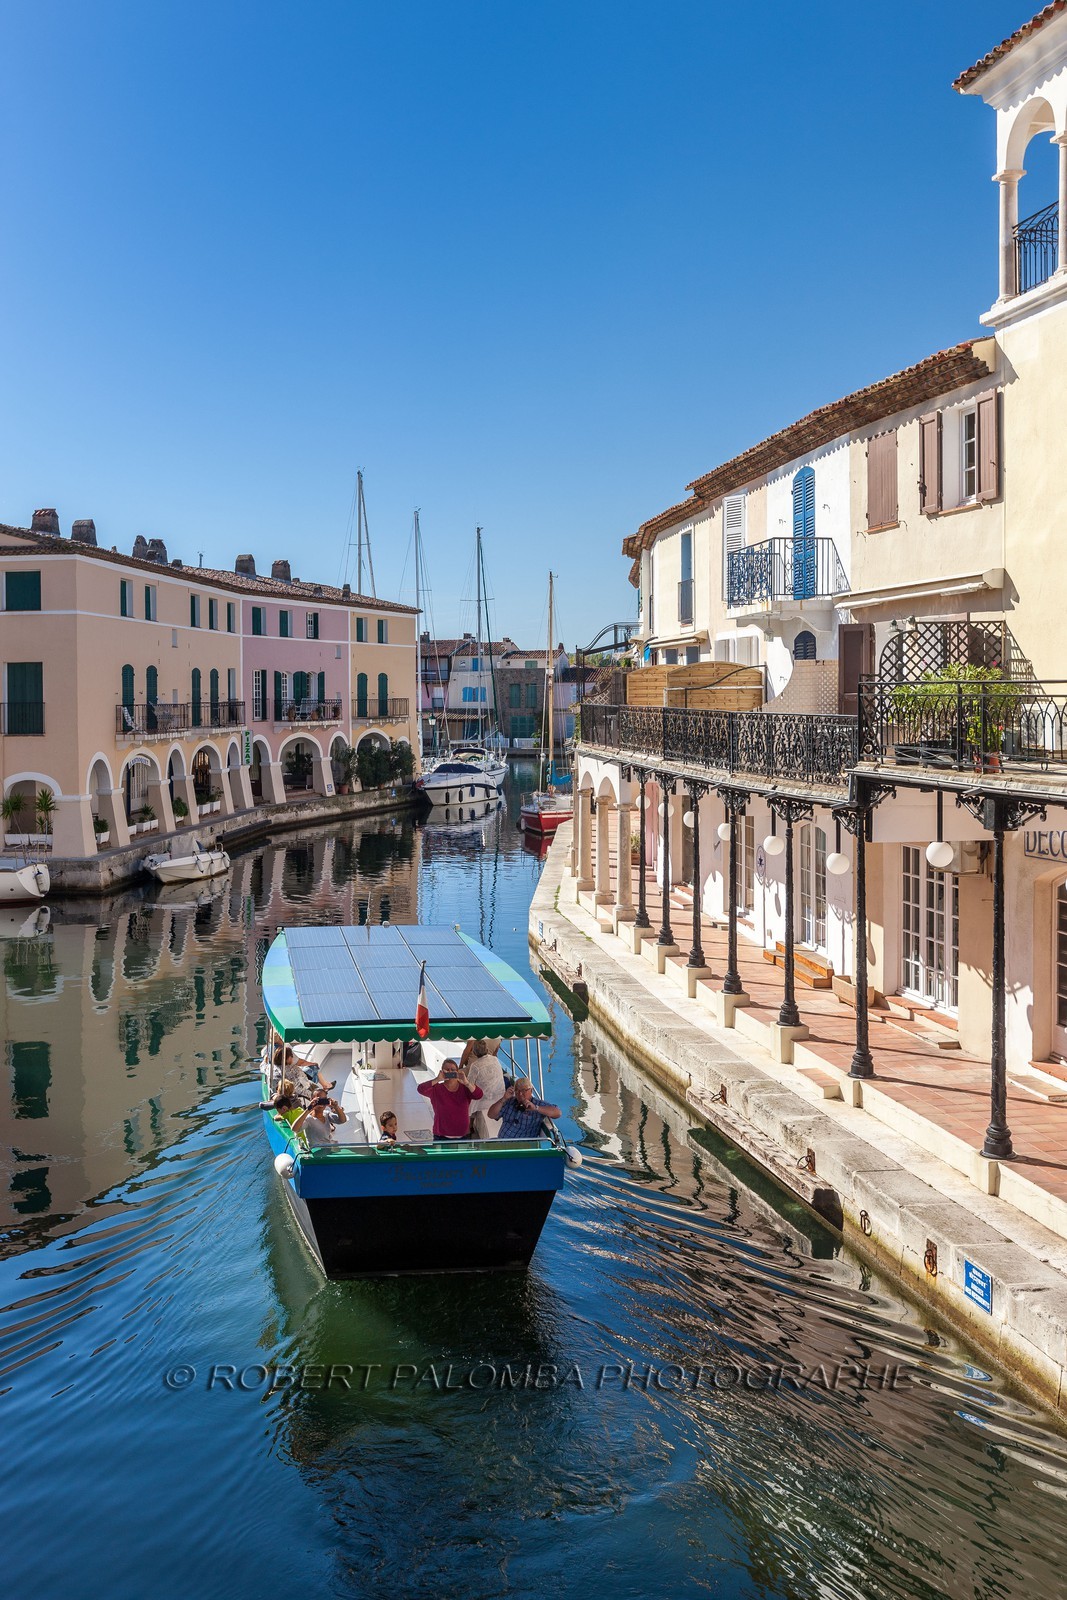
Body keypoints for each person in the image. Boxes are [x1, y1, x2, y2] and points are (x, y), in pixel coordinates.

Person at [417, 1057, 482, 1140]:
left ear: (457, 1072)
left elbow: (478, 1095)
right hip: (441, 1136)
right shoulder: (436, 1089)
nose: (450, 1072)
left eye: (453, 1069)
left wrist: (467, 1083)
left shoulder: (465, 1088)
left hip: (463, 1136)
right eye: (447, 1070)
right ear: (442, 1071)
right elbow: (421, 1089)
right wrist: (437, 1079)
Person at [488, 1077, 562, 1139]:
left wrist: (536, 1108)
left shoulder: (537, 1104)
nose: (520, 1094)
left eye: (524, 1090)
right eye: (517, 1091)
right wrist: (503, 1099)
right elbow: (491, 1115)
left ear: (531, 1090)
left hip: (523, 1146)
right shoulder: (509, 1101)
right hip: (502, 1142)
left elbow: (557, 1113)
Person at [462, 1038, 506, 1140]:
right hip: (499, 1095)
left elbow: (469, 1084)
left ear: (474, 1051)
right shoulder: (495, 1059)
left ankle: (469, 1128)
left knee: (469, 1099)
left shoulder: (475, 1065)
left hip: (485, 1098)